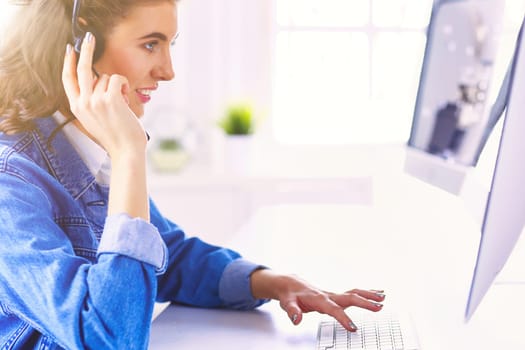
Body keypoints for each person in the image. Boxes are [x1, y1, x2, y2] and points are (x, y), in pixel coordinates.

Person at [0, 1, 386, 349]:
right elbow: (107, 338)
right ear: (80, 44)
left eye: (170, 44)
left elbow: (171, 256)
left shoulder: (81, 148)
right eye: (151, 44)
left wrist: (272, 282)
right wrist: (128, 154)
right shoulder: (11, 182)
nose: (167, 71)